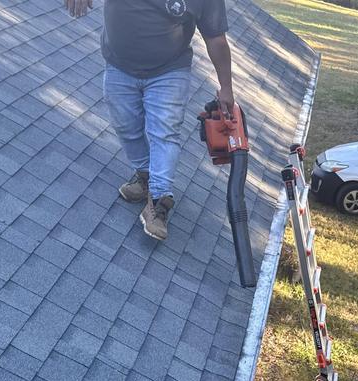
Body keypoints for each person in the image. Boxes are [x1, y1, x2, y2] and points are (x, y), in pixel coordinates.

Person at [66, 0, 234, 241]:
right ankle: (145, 176)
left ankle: (158, 201)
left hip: (169, 71)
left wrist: (226, 87)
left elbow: (216, 39)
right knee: (125, 125)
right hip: (119, 65)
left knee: (165, 132)